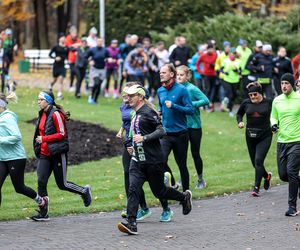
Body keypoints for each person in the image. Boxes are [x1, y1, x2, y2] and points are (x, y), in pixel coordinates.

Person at [117, 84, 192, 235]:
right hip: (137, 160)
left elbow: (161, 131)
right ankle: (132, 223)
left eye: (132, 96)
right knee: (133, 189)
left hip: (153, 161)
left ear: (140, 97)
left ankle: (183, 197)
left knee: (160, 191)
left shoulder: (148, 112)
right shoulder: (134, 113)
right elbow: (134, 130)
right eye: (128, 96)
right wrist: (131, 144)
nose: (128, 99)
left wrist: (144, 138)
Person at [31, 90, 92, 221]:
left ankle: (84, 191)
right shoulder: (41, 113)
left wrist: (44, 139)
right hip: (44, 154)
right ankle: (43, 213)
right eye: (38, 99)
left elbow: (62, 134)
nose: (38, 102)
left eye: (40, 99)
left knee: (62, 184)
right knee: (41, 181)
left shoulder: (56, 114)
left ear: (48, 100)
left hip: (57, 153)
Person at [0, 92, 45, 212]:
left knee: (19, 187)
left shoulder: (7, 118)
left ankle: (41, 201)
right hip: (2, 158)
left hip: (15, 158)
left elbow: (16, 137)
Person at [157, 64, 194, 192]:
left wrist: (174, 106)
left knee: (182, 165)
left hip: (181, 134)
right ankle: (173, 184)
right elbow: (161, 107)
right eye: (160, 72)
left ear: (171, 74)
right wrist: (159, 113)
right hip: (166, 134)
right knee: (160, 160)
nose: (161, 74)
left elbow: (190, 110)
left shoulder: (182, 90)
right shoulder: (160, 90)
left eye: (164, 72)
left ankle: (186, 193)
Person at [271, 73, 300, 216]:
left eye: (286, 83)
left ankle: (292, 207)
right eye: (282, 83)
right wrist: (274, 124)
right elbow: (273, 116)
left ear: (292, 84)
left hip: (297, 141)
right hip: (282, 142)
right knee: (283, 175)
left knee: (291, 171)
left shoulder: (299, 98)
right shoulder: (277, 100)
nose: (283, 86)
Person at [236, 82, 273, 197]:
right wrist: (240, 121)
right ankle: (267, 177)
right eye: (250, 95)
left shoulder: (269, 102)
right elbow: (239, 114)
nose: (252, 97)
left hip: (265, 135)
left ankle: (256, 187)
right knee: (255, 164)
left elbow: (277, 115)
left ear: (260, 93)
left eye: (255, 94)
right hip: (250, 136)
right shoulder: (246, 103)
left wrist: (275, 125)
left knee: (258, 161)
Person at [176, 65, 209, 189]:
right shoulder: (175, 89)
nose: (179, 77)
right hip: (181, 126)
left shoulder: (192, 88)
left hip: (194, 126)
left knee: (195, 153)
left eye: (181, 75)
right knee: (181, 154)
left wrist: (191, 104)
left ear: (187, 76)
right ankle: (181, 178)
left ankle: (201, 179)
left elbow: (206, 100)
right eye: (177, 75)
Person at [85, 38, 109, 104]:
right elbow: (86, 56)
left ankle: (95, 100)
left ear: (102, 42)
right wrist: (90, 61)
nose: (99, 42)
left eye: (101, 41)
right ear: (96, 42)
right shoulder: (92, 50)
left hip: (103, 69)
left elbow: (108, 57)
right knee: (96, 83)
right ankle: (91, 96)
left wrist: (108, 60)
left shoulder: (105, 50)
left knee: (99, 85)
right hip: (95, 69)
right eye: (98, 41)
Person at [196, 43, 218, 112]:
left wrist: (215, 66)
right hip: (206, 75)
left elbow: (218, 63)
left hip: (213, 75)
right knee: (207, 89)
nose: (211, 50)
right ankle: (205, 104)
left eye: (212, 49)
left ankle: (210, 103)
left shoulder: (215, 55)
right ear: (207, 49)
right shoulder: (203, 55)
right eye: (210, 49)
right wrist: (200, 71)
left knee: (213, 90)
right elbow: (197, 64)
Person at [221, 47, 241, 117]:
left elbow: (240, 71)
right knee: (230, 95)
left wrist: (237, 71)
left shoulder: (238, 61)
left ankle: (227, 101)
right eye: (231, 53)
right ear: (229, 54)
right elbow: (221, 69)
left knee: (234, 95)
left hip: (235, 80)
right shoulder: (225, 60)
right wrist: (224, 73)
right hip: (227, 79)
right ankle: (230, 110)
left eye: (234, 54)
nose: (233, 55)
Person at [49, 33, 69, 100]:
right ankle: (51, 85)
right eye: (62, 38)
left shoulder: (66, 47)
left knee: (61, 79)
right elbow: (50, 54)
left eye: (64, 38)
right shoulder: (56, 47)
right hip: (56, 65)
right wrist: (55, 58)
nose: (63, 39)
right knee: (55, 79)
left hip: (62, 66)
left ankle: (59, 94)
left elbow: (67, 56)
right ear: (59, 39)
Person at [65, 26, 81, 92]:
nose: (75, 35)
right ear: (70, 33)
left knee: (76, 73)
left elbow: (80, 47)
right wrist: (75, 47)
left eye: (75, 33)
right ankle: (71, 86)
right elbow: (70, 48)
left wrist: (75, 47)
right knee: (73, 72)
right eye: (73, 33)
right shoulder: (68, 38)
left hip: (77, 59)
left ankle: (75, 86)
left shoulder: (78, 39)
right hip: (70, 59)